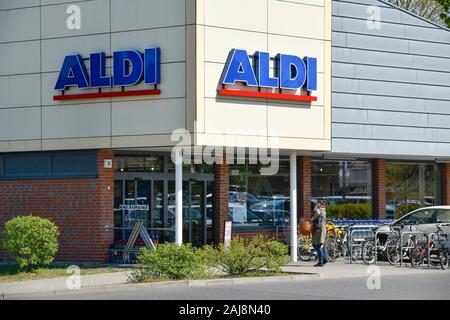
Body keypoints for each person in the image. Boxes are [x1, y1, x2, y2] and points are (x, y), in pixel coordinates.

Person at [311, 200, 328, 267]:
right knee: (317, 245)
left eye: (317, 203)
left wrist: (312, 219)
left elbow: (317, 213)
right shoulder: (323, 210)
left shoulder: (319, 209)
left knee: (317, 245)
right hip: (321, 229)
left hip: (319, 229)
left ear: (320, 204)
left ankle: (321, 261)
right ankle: (323, 259)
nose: (316, 204)